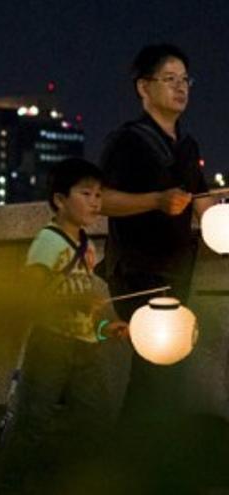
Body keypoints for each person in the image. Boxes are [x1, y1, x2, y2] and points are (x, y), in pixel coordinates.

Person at [99, 43, 212, 493]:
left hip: (177, 271)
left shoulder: (187, 144)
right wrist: (156, 201)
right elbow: (100, 199)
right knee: (152, 375)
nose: (181, 87)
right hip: (137, 273)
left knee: (164, 376)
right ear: (143, 87)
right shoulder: (127, 141)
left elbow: (203, 203)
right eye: (171, 78)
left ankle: (146, 466)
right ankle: (135, 469)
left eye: (186, 79)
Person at [0, 158, 128, 494]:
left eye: (99, 194)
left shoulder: (89, 247)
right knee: (33, 424)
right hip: (50, 345)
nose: (95, 202)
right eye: (86, 193)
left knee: (94, 422)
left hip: (85, 346)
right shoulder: (48, 242)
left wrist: (104, 330)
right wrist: (73, 304)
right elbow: (29, 297)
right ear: (59, 200)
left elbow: (85, 314)